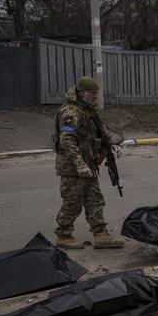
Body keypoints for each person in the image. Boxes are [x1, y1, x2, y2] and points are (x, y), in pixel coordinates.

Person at [53, 76, 124, 250]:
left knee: (95, 199)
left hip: (89, 163)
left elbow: (102, 130)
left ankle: (100, 234)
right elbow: (67, 140)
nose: (95, 96)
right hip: (73, 167)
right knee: (72, 201)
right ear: (82, 92)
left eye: (97, 93)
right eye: (93, 93)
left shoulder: (89, 110)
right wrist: (79, 164)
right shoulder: (71, 112)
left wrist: (113, 144)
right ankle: (63, 235)